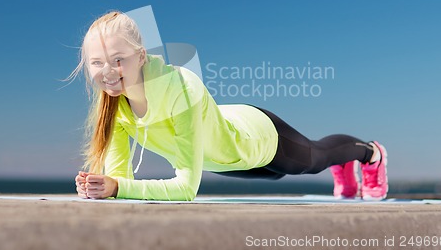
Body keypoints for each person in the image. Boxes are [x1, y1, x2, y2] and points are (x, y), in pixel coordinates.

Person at [70, 11, 388, 201]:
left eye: (118, 60)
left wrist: (116, 188)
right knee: (274, 176)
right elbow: (119, 178)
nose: (107, 72)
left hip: (255, 136)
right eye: (97, 63)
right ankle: (345, 164)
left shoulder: (181, 88)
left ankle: (370, 154)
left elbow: (186, 188)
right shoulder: (113, 108)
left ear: (141, 57)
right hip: (224, 158)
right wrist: (102, 187)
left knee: (313, 159)